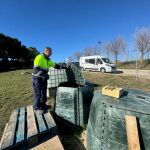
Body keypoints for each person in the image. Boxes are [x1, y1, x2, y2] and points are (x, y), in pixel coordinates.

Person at [32, 47, 63, 114]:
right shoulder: (39, 57)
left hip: (43, 78)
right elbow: (36, 69)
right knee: (38, 93)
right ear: (46, 51)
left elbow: (55, 65)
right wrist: (43, 74)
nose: (51, 53)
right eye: (50, 52)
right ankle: (36, 108)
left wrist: (62, 67)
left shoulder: (48, 60)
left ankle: (43, 105)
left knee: (43, 92)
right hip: (37, 78)